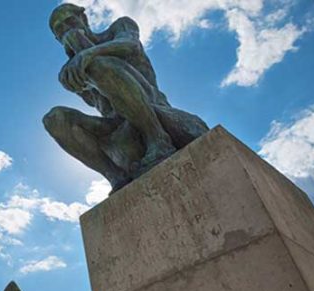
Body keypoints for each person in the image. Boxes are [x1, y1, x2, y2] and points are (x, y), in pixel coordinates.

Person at [43, 3, 208, 190]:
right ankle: (115, 176)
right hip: (117, 125)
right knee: (54, 118)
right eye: (61, 30)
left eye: (70, 22)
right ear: (58, 39)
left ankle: (158, 139)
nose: (68, 30)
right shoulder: (70, 71)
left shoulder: (120, 26)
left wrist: (87, 51)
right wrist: (78, 52)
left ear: (84, 18)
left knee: (97, 65)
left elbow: (130, 45)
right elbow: (95, 97)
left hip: (150, 107)